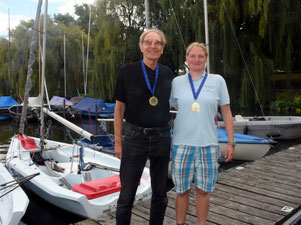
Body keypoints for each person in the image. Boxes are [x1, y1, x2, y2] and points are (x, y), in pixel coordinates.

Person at [113, 28, 174, 225]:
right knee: (126, 196)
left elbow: (181, 101)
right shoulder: (127, 71)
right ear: (141, 46)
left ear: (162, 49)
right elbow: (119, 110)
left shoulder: (167, 74)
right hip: (134, 137)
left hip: (162, 137)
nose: (153, 46)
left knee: (160, 194)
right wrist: (118, 142)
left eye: (157, 43)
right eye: (148, 42)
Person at [169, 42, 235, 225]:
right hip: (182, 143)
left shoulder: (217, 81)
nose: (196, 60)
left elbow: (227, 111)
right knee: (181, 190)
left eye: (200, 56)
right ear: (186, 59)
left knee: (203, 190)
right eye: (193, 56)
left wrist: (231, 141)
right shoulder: (176, 82)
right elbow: (177, 106)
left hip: (208, 144)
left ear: (205, 59)